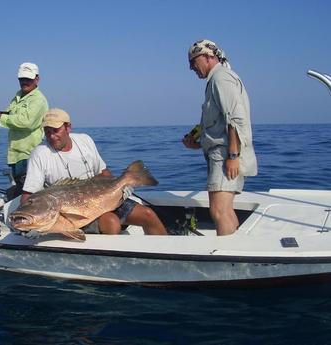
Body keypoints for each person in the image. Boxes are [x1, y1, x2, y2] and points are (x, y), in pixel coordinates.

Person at [21, 108, 167, 236]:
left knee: (148, 214)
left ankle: (166, 256)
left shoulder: (85, 140)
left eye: (56, 130)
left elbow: (104, 173)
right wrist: (28, 225)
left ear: (68, 127)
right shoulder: (40, 154)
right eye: (47, 131)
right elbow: (28, 194)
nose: (52, 136)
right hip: (74, 214)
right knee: (111, 222)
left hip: (104, 199)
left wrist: (121, 186)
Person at [182, 39, 257, 236]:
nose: (191, 68)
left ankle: (228, 257)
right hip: (222, 154)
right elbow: (217, 123)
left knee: (219, 210)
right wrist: (196, 142)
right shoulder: (215, 80)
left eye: (193, 62)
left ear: (208, 57)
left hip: (225, 156)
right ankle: (235, 250)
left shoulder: (221, 79)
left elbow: (234, 120)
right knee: (225, 210)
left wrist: (233, 157)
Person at [0, 62, 49, 198]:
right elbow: (8, 116)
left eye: (28, 79)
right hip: (15, 156)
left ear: (37, 79)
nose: (25, 82)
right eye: (22, 79)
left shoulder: (38, 100)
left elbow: (26, 122)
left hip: (29, 155)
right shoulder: (17, 96)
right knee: (21, 191)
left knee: (30, 195)